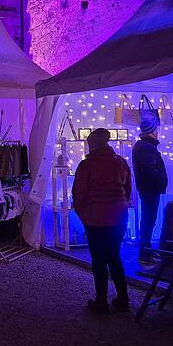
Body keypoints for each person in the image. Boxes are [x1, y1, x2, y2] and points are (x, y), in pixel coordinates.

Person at [72, 128, 131, 314]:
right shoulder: (120, 162)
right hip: (118, 215)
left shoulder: (86, 165)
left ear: (92, 142)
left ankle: (101, 300)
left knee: (98, 259)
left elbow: (79, 193)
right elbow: (128, 188)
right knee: (114, 256)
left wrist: (82, 212)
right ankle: (123, 299)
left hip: (95, 217)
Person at [132, 113, 168, 264]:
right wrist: (161, 179)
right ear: (153, 131)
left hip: (146, 188)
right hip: (150, 189)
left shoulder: (141, 146)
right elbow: (149, 170)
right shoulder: (148, 148)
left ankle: (145, 250)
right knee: (149, 219)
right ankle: (145, 252)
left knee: (147, 219)